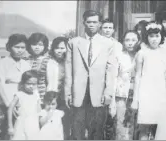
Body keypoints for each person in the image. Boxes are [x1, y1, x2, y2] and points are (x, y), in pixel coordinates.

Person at [64, 10, 118, 140]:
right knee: (77, 129)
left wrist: (108, 92)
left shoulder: (108, 43)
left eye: (95, 22)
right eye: (89, 22)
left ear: (100, 24)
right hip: (79, 92)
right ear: (84, 23)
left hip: (99, 93)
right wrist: (68, 93)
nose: (91, 25)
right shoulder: (74, 42)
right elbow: (68, 70)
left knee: (97, 129)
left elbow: (111, 71)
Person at [130, 21, 166, 140]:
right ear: (146, 37)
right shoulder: (142, 53)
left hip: (162, 93)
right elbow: (137, 76)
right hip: (146, 93)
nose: (154, 39)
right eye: (151, 36)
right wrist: (135, 99)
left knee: (161, 127)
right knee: (144, 127)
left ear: (162, 37)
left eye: (157, 36)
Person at [0, 34, 31, 140]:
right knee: (4, 132)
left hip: (21, 104)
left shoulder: (26, 65)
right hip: (4, 104)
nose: (20, 50)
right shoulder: (2, 63)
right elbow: (0, 84)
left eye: (23, 48)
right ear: (9, 47)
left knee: (20, 132)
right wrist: (9, 105)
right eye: (17, 47)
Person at [110, 30, 141, 140]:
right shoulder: (119, 56)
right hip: (121, 95)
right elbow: (113, 78)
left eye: (133, 40)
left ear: (139, 41)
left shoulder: (141, 55)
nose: (130, 43)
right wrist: (112, 100)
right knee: (121, 125)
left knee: (136, 126)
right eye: (127, 40)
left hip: (138, 96)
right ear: (123, 42)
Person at [46, 37, 71, 139]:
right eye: (57, 48)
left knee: (65, 123)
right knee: (51, 122)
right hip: (52, 96)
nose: (60, 51)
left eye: (62, 48)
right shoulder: (49, 62)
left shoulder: (69, 63)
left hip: (65, 98)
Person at [7, 70, 41, 140]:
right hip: (21, 125)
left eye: (34, 84)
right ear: (23, 83)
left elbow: (39, 112)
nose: (31, 86)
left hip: (33, 126)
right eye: (28, 83)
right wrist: (10, 126)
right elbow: (10, 109)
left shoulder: (36, 96)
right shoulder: (19, 95)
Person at [26, 32, 51, 103]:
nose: (37, 47)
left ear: (45, 46)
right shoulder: (25, 60)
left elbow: (50, 82)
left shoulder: (48, 61)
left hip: (42, 95)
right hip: (26, 95)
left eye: (40, 45)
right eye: (34, 44)